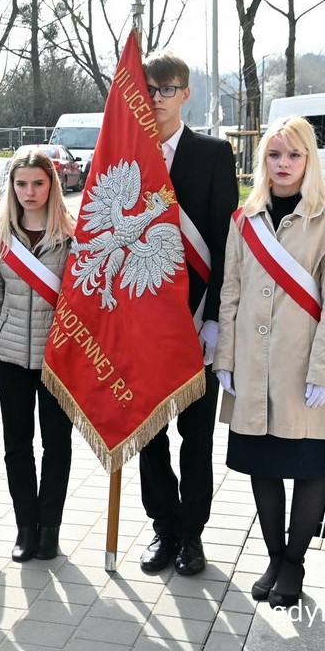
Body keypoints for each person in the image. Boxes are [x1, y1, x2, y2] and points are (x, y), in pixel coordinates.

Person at [213, 116, 325, 608]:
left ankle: (294, 563)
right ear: (263, 160)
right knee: (263, 465)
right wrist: (225, 357)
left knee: (311, 467)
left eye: (294, 154)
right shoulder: (244, 219)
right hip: (253, 366)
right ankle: (274, 557)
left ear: (309, 159)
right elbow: (230, 292)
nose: (284, 163)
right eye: (274, 154)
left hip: (303, 366)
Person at [135, 50, 238, 576]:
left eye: (167, 89)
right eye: (149, 90)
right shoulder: (126, 155)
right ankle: (163, 528)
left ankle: (192, 535)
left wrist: (215, 318)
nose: (157, 99)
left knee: (195, 438)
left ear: (186, 93)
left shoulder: (213, 154)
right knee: (149, 435)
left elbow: (224, 245)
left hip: (197, 321)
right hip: (143, 326)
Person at [0, 146, 75, 562]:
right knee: (17, 446)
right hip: (11, 358)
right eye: (21, 184)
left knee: (57, 445)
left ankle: (49, 529)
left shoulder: (73, 239)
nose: (29, 192)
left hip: (59, 361)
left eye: (37, 183)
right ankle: (25, 528)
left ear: (52, 185)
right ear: (11, 187)